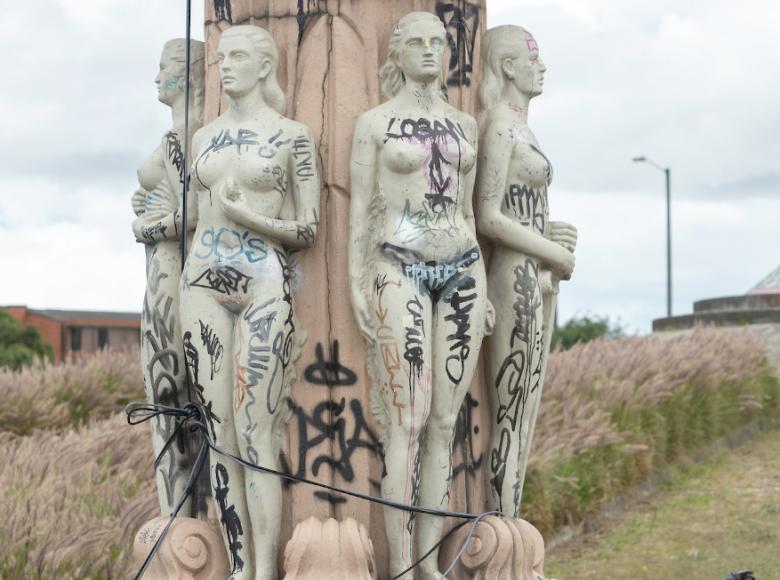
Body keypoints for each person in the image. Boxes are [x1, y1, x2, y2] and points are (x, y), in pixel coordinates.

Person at [349, 12, 488, 579]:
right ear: (397, 53)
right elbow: (360, 207)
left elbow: (469, 208)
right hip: (398, 264)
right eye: (418, 43)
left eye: (439, 42)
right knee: (406, 418)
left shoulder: (466, 126)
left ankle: (429, 563)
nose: (431, 51)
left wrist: (486, 290)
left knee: (444, 423)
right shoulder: (376, 123)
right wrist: (357, 278)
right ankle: (402, 563)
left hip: (463, 268)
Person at [179, 25, 320, 579]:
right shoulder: (203, 137)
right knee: (219, 433)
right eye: (220, 58)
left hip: (262, 280)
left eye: (237, 57)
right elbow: (193, 220)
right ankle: (239, 570)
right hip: (202, 280)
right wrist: (151, 222)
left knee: (255, 430)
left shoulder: (291, 136)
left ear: (265, 66)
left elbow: (307, 227)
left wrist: (248, 217)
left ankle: (264, 569)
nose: (224, 66)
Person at [476, 25, 577, 518]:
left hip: (536, 276)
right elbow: (489, 217)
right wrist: (550, 252)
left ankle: (510, 523)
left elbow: (519, 210)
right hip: (514, 276)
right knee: (511, 412)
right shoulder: (498, 125)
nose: (542, 67)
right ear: (509, 67)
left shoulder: (522, 127)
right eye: (532, 58)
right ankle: (502, 526)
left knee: (528, 410)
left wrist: (551, 235)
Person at [131, 38, 205, 517]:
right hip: (164, 264)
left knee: (166, 392)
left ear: (188, 75)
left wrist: (145, 225)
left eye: (165, 69)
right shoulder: (182, 134)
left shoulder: (184, 136)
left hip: (170, 268)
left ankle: (174, 517)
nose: (157, 79)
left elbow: (192, 212)